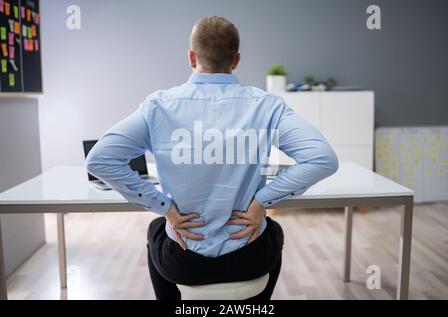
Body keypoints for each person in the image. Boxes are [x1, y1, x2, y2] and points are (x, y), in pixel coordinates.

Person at [86, 16, 338, 300]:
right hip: (249, 256)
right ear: (237, 59)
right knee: (274, 232)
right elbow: (322, 159)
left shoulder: (158, 106)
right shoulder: (267, 105)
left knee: (156, 228)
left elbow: (99, 161)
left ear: (191, 57)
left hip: (184, 260)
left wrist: (164, 207)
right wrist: (261, 202)